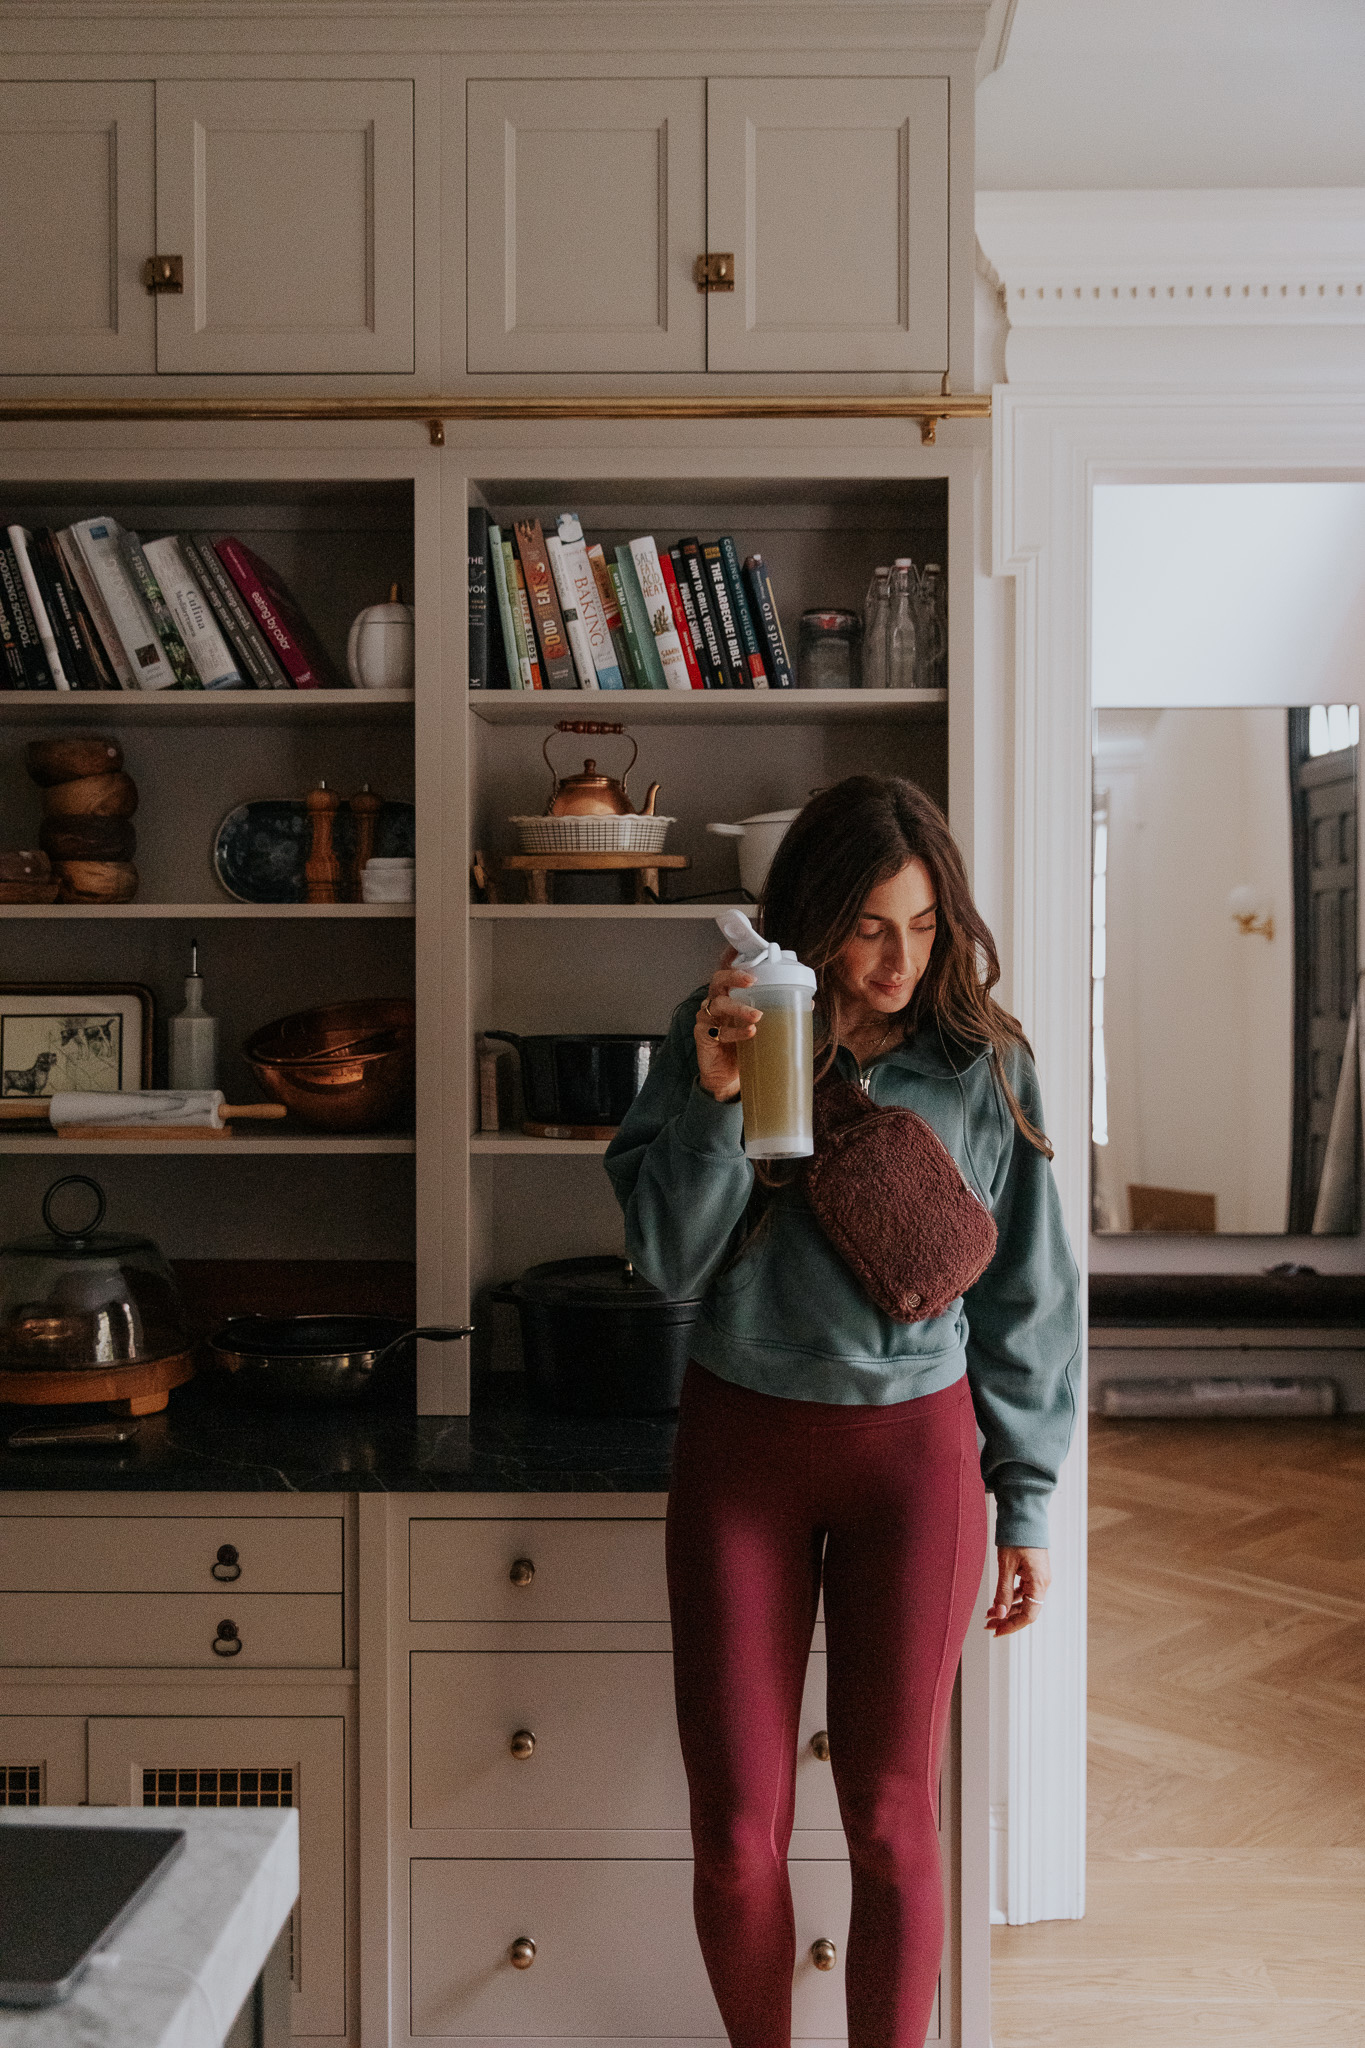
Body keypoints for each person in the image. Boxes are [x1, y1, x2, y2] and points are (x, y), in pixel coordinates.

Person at [605, 775, 1079, 2048]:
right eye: (871, 926)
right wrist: (711, 1102)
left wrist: (1027, 1496)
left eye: (924, 926)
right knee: (737, 1832)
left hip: (914, 1466)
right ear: (810, 918)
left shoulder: (988, 1064)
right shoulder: (720, 1025)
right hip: (739, 1454)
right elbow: (666, 1258)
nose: (900, 959)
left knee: (888, 1810)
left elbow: (1033, 1299)